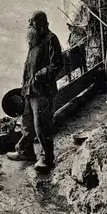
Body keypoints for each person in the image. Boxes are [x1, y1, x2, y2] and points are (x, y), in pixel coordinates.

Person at [7, 10, 63, 173]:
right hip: (30, 90)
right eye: (29, 22)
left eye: (32, 22)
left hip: (42, 91)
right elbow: (28, 66)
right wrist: (24, 86)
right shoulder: (34, 40)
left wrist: (38, 77)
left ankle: (47, 159)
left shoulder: (51, 39)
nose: (29, 25)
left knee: (42, 126)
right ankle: (25, 152)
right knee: (27, 123)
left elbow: (56, 65)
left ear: (42, 24)